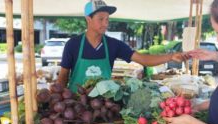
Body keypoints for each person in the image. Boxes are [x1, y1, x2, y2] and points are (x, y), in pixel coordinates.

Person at [57, 0, 189, 92]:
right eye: (101, 19)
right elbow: (63, 76)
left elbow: (144, 59)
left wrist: (171, 56)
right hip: (76, 103)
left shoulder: (113, 45)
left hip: (103, 104)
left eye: (107, 19)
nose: (105, 23)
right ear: (88, 19)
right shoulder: (73, 45)